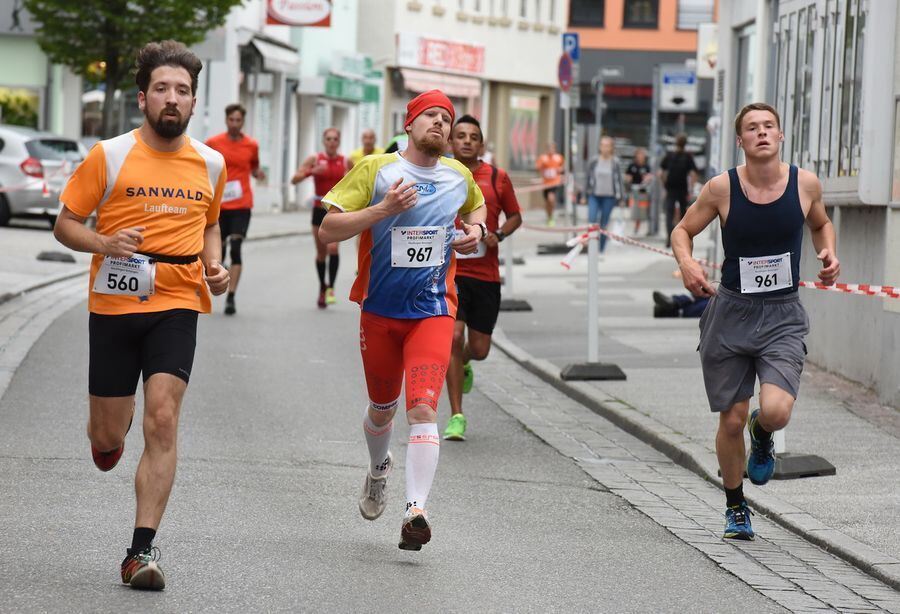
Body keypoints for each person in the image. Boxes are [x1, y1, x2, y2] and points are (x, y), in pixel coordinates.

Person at [53, 40, 229, 590]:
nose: (171, 99)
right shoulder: (108, 154)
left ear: (195, 102)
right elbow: (65, 224)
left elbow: (210, 223)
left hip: (177, 301)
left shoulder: (211, 162)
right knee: (107, 440)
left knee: (164, 418)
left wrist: (216, 266)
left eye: (182, 90)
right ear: (142, 98)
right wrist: (104, 240)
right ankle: (111, 428)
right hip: (115, 302)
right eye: (161, 89)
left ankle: (140, 552)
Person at [318, 89, 486, 551]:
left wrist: (477, 231)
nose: (439, 124)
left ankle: (416, 510)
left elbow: (475, 207)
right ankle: (378, 470)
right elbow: (328, 228)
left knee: (422, 409)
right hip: (379, 310)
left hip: (433, 309)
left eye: (446, 119)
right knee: (382, 408)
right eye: (429, 115)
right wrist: (383, 210)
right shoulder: (376, 169)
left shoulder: (458, 176)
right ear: (409, 125)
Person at [671, 102, 840, 541]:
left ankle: (760, 433)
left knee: (778, 411)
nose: (762, 132)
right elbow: (682, 230)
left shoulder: (805, 184)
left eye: (769, 126)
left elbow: (821, 225)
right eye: (752, 128)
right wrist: (687, 264)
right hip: (730, 312)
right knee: (729, 420)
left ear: (781, 136)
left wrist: (828, 253)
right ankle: (735, 507)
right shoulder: (721, 188)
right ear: (741, 141)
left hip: (782, 313)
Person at [443, 115, 522, 441]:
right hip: (453, 271)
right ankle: (456, 416)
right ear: (451, 141)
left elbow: (516, 215)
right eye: (460, 135)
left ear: (481, 144)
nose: (465, 141)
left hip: (486, 276)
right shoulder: (441, 173)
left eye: (472, 137)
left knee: (479, 348)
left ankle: (465, 363)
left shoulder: (497, 177)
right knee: (452, 337)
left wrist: (498, 236)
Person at [205, 103, 265, 315]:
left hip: (242, 203)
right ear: (226, 120)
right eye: (231, 120)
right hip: (219, 204)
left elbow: (255, 167)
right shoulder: (213, 143)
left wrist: (259, 174)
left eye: (238, 120)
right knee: (218, 250)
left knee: (236, 248)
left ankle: (231, 297)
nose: (234, 124)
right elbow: (202, 165)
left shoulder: (251, 145)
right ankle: (221, 274)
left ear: (243, 122)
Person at [292, 128, 349, 308]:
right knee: (321, 253)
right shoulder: (315, 159)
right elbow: (295, 179)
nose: (332, 142)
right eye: (328, 139)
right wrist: (312, 171)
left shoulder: (345, 161)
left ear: (338, 142)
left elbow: (359, 180)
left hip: (336, 210)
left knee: (333, 249)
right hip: (318, 209)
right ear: (324, 141)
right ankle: (322, 287)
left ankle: (331, 287)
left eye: (335, 139)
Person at [584, 136, 625, 253]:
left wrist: (622, 197)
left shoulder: (615, 162)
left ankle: (600, 249)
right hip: (594, 195)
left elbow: (619, 181)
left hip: (609, 196)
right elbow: (587, 178)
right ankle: (591, 247)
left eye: (607, 146)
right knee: (592, 220)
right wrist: (583, 195)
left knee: (603, 223)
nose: (604, 148)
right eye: (602, 145)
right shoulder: (594, 161)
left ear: (611, 148)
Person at [660, 134, 698, 247]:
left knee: (669, 214)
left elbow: (661, 173)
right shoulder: (688, 157)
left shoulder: (670, 156)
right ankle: (681, 238)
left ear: (676, 143)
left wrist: (664, 186)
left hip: (670, 188)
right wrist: (691, 188)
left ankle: (669, 237)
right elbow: (693, 174)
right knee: (683, 215)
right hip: (682, 189)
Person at [535, 142, 564, 227]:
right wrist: (541, 166)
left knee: (551, 198)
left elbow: (563, 167)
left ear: (555, 149)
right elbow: (537, 168)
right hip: (545, 183)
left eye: (552, 148)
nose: (551, 150)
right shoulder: (543, 158)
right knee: (547, 202)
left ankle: (551, 217)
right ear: (546, 149)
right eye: (549, 148)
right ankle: (549, 216)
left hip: (554, 182)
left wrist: (560, 169)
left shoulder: (559, 157)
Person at [627, 148, 653, 235]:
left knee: (642, 209)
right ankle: (634, 224)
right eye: (639, 154)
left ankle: (639, 225)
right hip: (634, 191)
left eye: (642, 155)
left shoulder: (646, 166)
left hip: (643, 191)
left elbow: (650, 176)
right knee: (634, 208)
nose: (641, 156)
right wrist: (628, 180)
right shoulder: (632, 165)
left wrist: (647, 179)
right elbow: (627, 176)